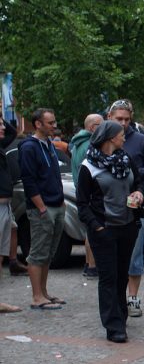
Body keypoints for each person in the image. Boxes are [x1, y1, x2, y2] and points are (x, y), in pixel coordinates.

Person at [76, 121, 143, 342]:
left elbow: (138, 182)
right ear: (110, 138)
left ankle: (120, 316)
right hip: (104, 230)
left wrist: (138, 193)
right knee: (108, 277)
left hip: (128, 226)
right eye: (121, 134)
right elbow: (82, 203)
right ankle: (113, 326)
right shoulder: (89, 166)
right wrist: (97, 226)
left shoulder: (126, 159)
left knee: (122, 274)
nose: (124, 137)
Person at [108, 99, 144, 318]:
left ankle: (133, 297)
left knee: (135, 253)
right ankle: (114, 298)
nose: (123, 123)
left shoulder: (140, 140)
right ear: (110, 117)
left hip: (134, 203)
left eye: (127, 119)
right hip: (109, 205)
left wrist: (134, 174)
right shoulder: (101, 140)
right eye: (119, 119)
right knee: (111, 256)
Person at [18, 108, 66, 310]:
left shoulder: (49, 144)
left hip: (56, 205)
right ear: (38, 124)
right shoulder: (29, 147)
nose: (54, 126)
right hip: (42, 208)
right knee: (38, 253)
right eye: (50, 123)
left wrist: (60, 202)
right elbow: (29, 180)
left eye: (54, 122)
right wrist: (42, 208)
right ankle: (37, 297)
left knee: (48, 253)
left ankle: (44, 293)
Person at [70, 114, 103, 277]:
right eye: (100, 125)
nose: (103, 128)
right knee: (92, 230)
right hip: (89, 193)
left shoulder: (77, 143)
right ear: (92, 127)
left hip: (82, 191)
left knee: (89, 231)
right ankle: (92, 265)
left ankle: (89, 263)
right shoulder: (90, 144)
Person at [0, 117, 22, 313]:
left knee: (1, 255)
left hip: (5, 205)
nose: (3, 127)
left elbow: (12, 132)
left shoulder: (1, 144)